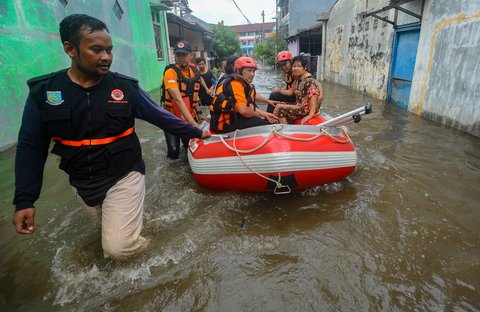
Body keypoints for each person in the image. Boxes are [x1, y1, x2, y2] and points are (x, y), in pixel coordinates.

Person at [12, 14, 210, 261]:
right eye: (97, 50)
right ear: (70, 49)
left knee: (117, 249)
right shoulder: (45, 92)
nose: (106, 57)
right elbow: (31, 148)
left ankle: (157, 249)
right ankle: (138, 231)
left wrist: (198, 132)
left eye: (109, 50)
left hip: (124, 173)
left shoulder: (125, 88)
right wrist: (24, 200)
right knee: (108, 235)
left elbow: (161, 117)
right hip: (82, 182)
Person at [161, 40, 207, 159]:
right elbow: (178, 99)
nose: (181, 58)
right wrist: (194, 124)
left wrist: (199, 113)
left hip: (189, 116)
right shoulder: (170, 73)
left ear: (191, 55)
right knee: (173, 154)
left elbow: (194, 96)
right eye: (178, 55)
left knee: (190, 149)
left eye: (184, 55)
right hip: (171, 118)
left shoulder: (194, 72)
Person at [210, 56, 278, 133]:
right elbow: (244, 111)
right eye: (249, 71)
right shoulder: (235, 84)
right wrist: (259, 116)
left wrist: (265, 114)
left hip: (230, 118)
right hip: (224, 124)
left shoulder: (240, 83)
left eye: (253, 71)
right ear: (238, 71)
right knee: (264, 124)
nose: (252, 74)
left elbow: (248, 105)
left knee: (259, 120)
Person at [273, 55, 323, 125]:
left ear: (304, 67)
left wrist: (310, 114)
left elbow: (314, 96)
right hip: (298, 106)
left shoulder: (309, 80)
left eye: (299, 66)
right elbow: (290, 92)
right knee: (278, 104)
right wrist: (279, 90)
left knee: (279, 108)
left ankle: (287, 130)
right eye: (294, 66)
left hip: (305, 109)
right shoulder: (298, 80)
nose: (296, 68)